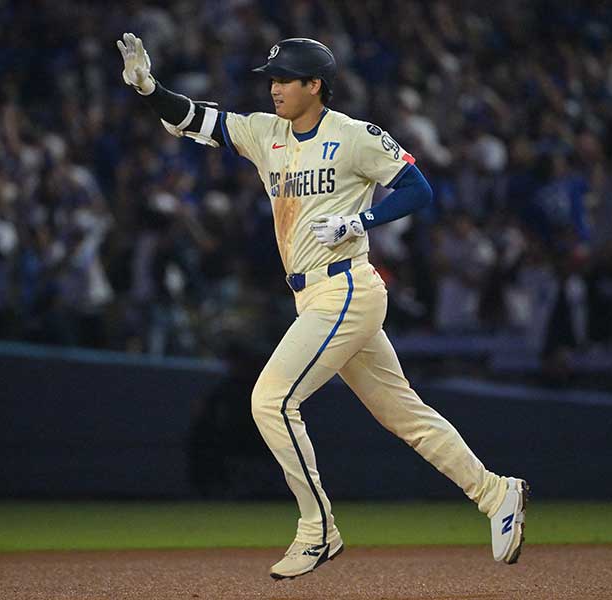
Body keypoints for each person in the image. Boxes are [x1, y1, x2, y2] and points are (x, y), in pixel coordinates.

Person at [117, 33, 528, 579]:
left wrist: (361, 220)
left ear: (315, 84)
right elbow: (198, 119)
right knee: (404, 415)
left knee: (271, 400)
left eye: (285, 79)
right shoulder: (265, 132)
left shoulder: (354, 135)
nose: (274, 88)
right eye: (272, 78)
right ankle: (495, 492)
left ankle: (318, 529)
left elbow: (418, 188)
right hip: (309, 294)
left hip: (346, 287)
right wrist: (150, 89)